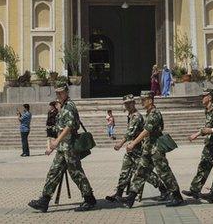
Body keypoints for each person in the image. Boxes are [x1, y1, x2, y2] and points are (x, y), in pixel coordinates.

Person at [28, 83, 96, 213]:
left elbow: (69, 126)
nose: (58, 95)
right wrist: (55, 144)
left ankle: (89, 198)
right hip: (62, 147)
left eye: (61, 92)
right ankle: (45, 200)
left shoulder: (69, 106)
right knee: (54, 172)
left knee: (76, 173)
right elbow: (61, 127)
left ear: (66, 92)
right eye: (57, 93)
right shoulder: (63, 106)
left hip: (70, 147)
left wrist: (56, 141)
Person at [119, 91, 185, 208]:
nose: (141, 102)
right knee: (140, 172)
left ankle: (177, 196)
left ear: (150, 100)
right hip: (148, 149)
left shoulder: (155, 113)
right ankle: (131, 198)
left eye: (143, 100)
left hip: (156, 149)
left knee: (164, 173)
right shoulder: (149, 113)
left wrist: (133, 143)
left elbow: (146, 131)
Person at [105, 94, 167, 203]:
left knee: (144, 173)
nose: (128, 105)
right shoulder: (130, 115)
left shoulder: (136, 116)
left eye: (130, 103)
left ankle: (163, 188)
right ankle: (119, 193)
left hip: (139, 149)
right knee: (125, 170)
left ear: (134, 103)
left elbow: (130, 133)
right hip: (132, 149)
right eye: (126, 104)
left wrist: (120, 144)